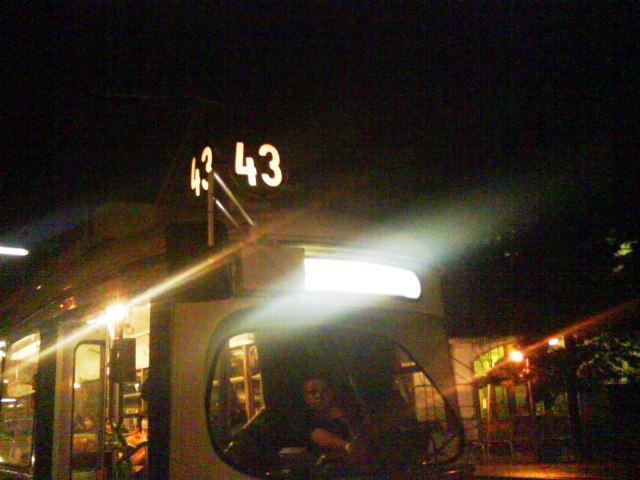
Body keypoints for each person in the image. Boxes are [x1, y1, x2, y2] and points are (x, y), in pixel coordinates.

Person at [299, 377, 368, 465]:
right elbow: (318, 435)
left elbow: (359, 438)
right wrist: (347, 446)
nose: (318, 396)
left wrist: (344, 419)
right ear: (305, 397)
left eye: (324, 391)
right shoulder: (304, 417)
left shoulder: (343, 413)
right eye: (312, 393)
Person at [126, 414, 148, 479]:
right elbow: (133, 461)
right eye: (145, 419)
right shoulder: (132, 439)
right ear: (140, 421)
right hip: (139, 470)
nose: (147, 422)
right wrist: (144, 451)